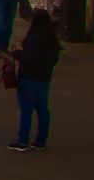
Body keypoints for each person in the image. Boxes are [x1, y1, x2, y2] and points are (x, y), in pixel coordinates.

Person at [8, 9, 62, 151]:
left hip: (29, 79)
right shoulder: (52, 39)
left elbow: (30, 59)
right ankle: (41, 140)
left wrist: (16, 53)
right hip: (44, 80)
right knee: (43, 110)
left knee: (26, 111)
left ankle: (23, 141)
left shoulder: (35, 39)